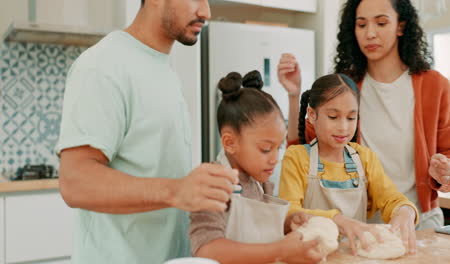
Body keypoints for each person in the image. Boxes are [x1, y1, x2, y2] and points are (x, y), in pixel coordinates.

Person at [55, 0, 239, 263]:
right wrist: (177, 191)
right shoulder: (103, 66)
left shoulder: (160, 66)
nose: (206, 12)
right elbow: (75, 183)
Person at [277, 0, 450, 230]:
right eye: (362, 24)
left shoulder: (435, 86)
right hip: (357, 223)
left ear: (400, 26)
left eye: (381, 23)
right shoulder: (345, 87)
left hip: (418, 220)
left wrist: (446, 172)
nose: (370, 33)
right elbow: (304, 149)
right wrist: (293, 95)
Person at [189, 71, 324, 264]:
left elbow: (258, 232)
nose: (275, 159)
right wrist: (279, 251)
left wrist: (287, 224)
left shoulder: (259, 181)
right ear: (229, 142)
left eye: (279, 148)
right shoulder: (212, 185)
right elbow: (206, 250)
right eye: (266, 149)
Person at [279, 73, 419, 255]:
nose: (343, 127)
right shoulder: (297, 158)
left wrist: (405, 210)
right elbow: (289, 212)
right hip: (310, 255)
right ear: (312, 115)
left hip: (355, 255)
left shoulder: (364, 158)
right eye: (333, 117)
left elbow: (390, 197)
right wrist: (338, 220)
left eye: (351, 118)